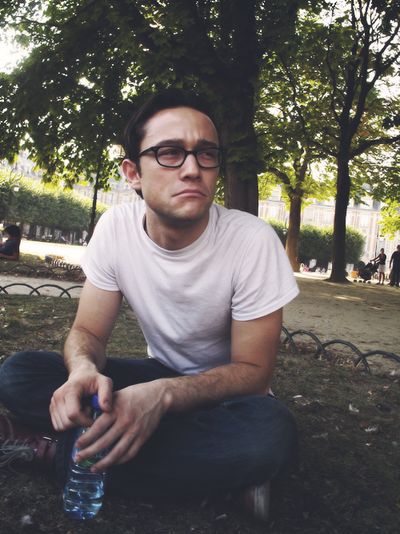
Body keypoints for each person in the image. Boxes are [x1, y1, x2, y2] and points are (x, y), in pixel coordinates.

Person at [0, 89, 299, 522]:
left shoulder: (252, 240)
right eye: (170, 153)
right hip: (156, 373)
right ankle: (208, 476)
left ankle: (52, 452)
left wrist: (160, 398)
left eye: (206, 154)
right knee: (20, 372)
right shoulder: (115, 228)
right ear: (133, 173)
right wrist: (83, 372)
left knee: (269, 435)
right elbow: (87, 334)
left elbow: (253, 375)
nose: (193, 169)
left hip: (225, 398)